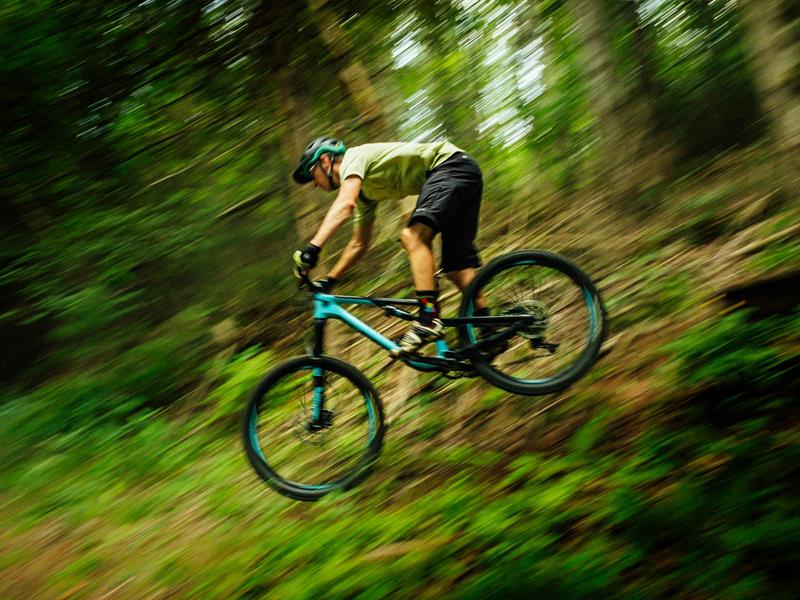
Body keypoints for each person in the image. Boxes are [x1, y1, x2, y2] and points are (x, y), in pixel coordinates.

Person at [291, 136, 486, 354]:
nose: (314, 184)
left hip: (449, 167)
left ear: (325, 161)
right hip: (463, 172)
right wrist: (330, 280)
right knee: (456, 269)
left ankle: (428, 319)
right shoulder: (365, 194)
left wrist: (312, 248)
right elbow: (358, 244)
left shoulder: (353, 158)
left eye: (312, 174)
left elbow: (345, 204)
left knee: (413, 236)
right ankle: (489, 328)